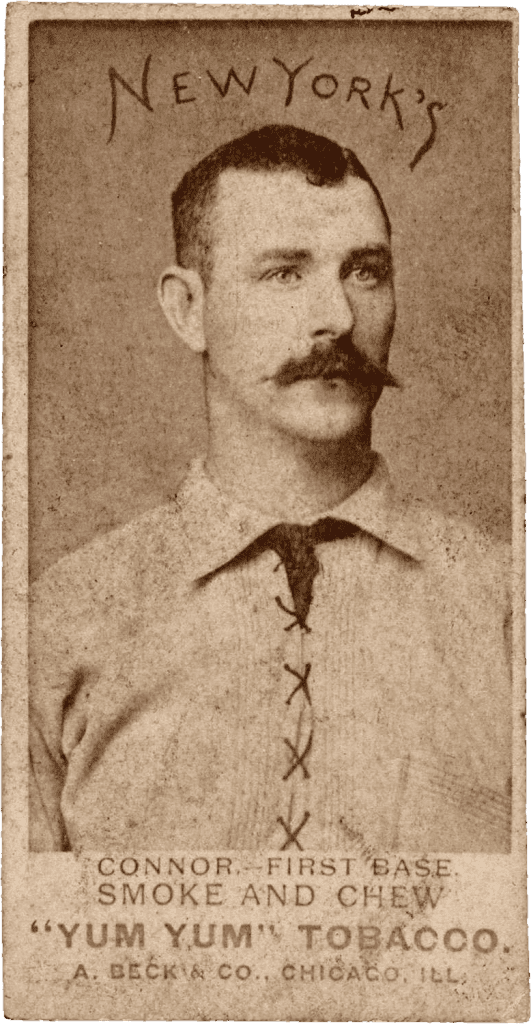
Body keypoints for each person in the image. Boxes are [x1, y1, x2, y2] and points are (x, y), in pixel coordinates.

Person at [29, 125, 511, 853]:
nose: (338, 319)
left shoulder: (503, 606)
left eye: (365, 271)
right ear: (188, 309)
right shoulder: (58, 625)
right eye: (284, 273)